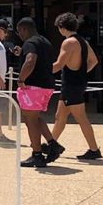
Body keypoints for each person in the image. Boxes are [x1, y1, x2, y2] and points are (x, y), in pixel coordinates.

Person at [49, 12, 102, 160]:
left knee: (81, 118)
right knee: (60, 117)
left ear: (62, 27)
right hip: (76, 84)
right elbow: (94, 61)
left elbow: (58, 65)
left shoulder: (68, 42)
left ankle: (94, 149)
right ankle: (51, 145)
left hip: (71, 85)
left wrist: (40, 71)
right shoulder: (83, 41)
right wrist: (81, 72)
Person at [15, 18, 64, 168]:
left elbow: (30, 60)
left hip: (33, 86)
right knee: (34, 117)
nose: (19, 35)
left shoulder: (30, 43)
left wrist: (21, 79)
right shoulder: (45, 42)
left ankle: (37, 155)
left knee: (29, 120)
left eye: (19, 32)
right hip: (47, 86)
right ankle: (52, 144)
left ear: (24, 29)